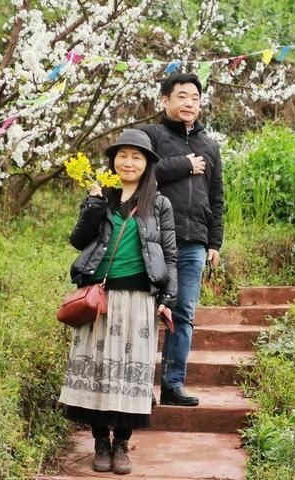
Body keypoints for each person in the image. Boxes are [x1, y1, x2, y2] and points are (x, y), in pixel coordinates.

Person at [59, 129, 177, 475]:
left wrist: (167, 297)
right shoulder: (100, 195)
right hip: (100, 300)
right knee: (98, 374)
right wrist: (93, 206)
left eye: (136, 157)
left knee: (130, 376)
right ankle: (99, 441)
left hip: (140, 301)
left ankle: (122, 444)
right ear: (112, 161)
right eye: (122, 155)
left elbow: (170, 254)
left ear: (147, 164)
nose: (128, 162)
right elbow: (78, 240)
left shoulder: (159, 204)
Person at [140, 73, 223, 406]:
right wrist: (183, 165)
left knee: (184, 313)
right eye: (183, 96)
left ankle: (173, 386)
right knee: (145, 311)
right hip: (152, 239)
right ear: (164, 100)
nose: (190, 103)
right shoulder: (151, 136)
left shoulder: (210, 146)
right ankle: (139, 387)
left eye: (196, 98)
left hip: (193, 243)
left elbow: (217, 198)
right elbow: (138, 172)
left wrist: (214, 242)